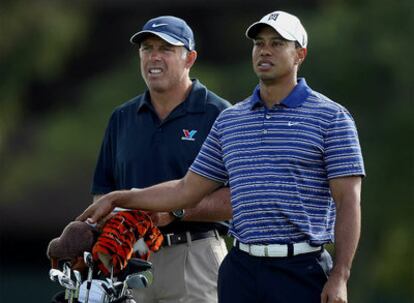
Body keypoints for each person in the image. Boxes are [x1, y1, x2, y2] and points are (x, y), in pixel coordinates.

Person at [79, 11, 366, 303]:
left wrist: (340, 275)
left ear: (299, 54)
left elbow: (348, 201)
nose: (265, 50)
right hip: (241, 269)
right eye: (259, 43)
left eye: (278, 43)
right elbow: (185, 190)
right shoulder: (232, 120)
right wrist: (119, 198)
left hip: (301, 268)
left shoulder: (331, 117)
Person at [89, 15, 232, 303]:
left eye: (166, 49)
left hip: (195, 256)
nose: (154, 57)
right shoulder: (122, 118)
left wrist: (176, 212)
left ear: (189, 58)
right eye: (147, 48)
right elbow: (102, 195)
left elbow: (236, 199)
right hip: (129, 258)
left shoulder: (219, 114)